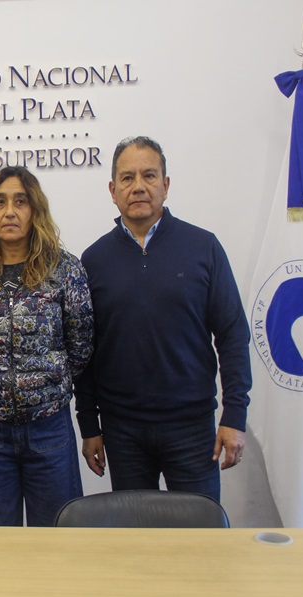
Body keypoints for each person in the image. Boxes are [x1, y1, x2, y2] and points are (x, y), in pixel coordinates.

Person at [75, 136, 251, 502]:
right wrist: (89, 425)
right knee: (136, 535)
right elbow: (84, 352)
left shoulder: (203, 247)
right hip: (122, 431)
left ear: (165, 185)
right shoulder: (93, 261)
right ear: (112, 190)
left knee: (200, 532)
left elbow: (232, 335)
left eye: (149, 175)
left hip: (192, 428)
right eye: (127, 178)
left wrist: (234, 415)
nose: (138, 186)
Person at [0, 166, 93, 526]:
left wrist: (44, 383)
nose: (10, 212)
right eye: (0, 203)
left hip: (49, 427)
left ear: (35, 210)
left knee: (57, 538)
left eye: (20, 202)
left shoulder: (65, 270)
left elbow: (80, 345)